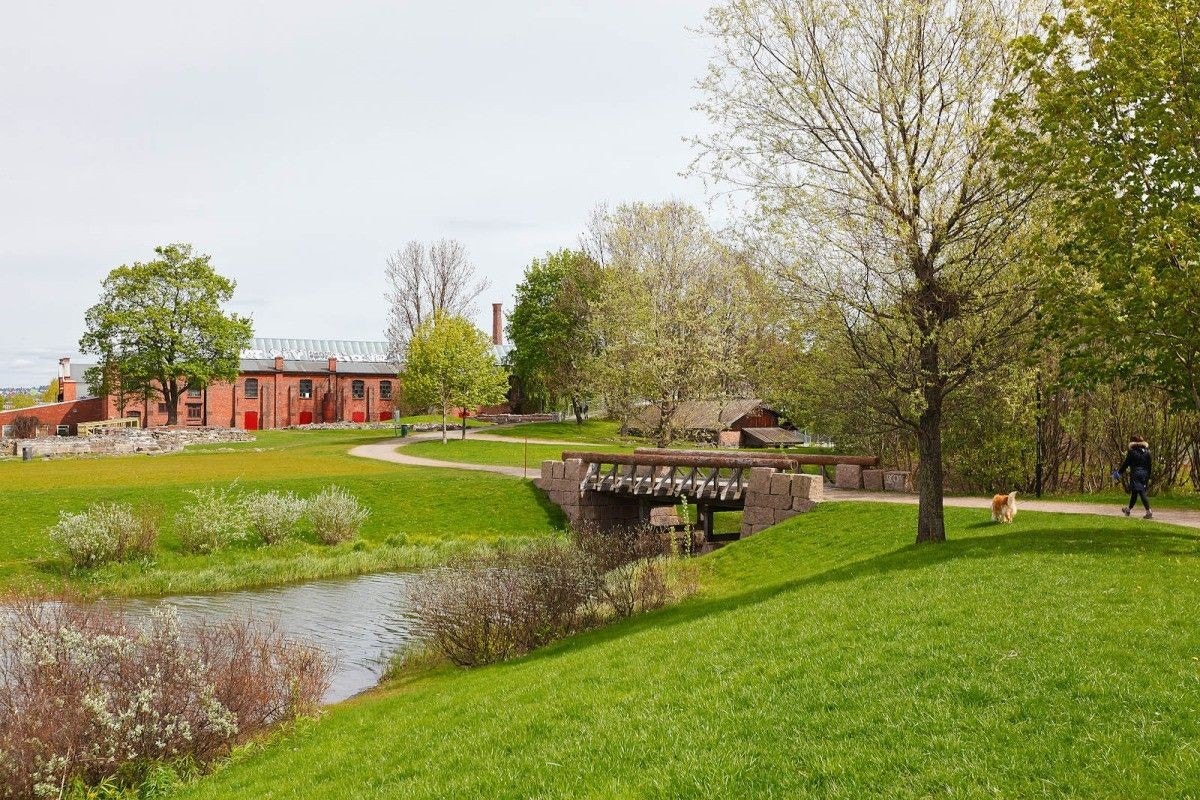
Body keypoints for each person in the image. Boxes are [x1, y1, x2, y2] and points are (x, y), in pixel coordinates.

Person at [1114, 435, 1153, 519]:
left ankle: (1149, 511)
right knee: (1135, 493)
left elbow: (1126, 464)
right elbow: (1149, 466)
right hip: (1145, 474)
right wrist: (1148, 476)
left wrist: (1119, 473)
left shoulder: (1132, 452)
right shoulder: (1147, 452)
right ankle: (1128, 510)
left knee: (1141, 492)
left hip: (1136, 474)